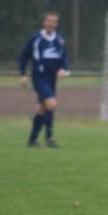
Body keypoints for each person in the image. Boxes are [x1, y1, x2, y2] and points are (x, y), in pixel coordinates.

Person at [18, 12, 69, 147]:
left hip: (52, 79)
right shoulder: (36, 38)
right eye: (49, 21)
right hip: (39, 78)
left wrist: (63, 69)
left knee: (42, 109)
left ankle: (32, 140)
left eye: (54, 21)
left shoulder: (60, 40)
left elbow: (63, 59)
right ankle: (50, 138)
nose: (51, 24)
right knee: (52, 104)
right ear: (44, 22)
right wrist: (23, 74)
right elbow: (24, 56)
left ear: (56, 24)